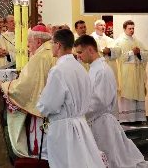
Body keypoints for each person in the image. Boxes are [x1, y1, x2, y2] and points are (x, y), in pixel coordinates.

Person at [74, 35, 148, 168]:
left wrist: (80, 113)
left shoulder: (102, 70)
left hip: (101, 123)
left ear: (90, 49)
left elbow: (99, 102)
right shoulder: (94, 68)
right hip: (96, 121)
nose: (79, 56)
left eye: (80, 52)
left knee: (112, 161)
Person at [36, 29, 105, 168]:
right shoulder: (80, 68)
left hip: (63, 129)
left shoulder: (58, 70)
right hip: (81, 125)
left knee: (65, 163)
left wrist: (42, 99)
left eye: (52, 43)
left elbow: (49, 105)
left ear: (59, 45)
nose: (51, 47)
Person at [0, 25, 54, 159]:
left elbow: (24, 87)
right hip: (56, 114)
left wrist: (2, 85)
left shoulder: (40, 57)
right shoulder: (54, 53)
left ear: (38, 42)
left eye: (29, 41)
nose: (27, 45)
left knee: (43, 154)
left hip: (42, 115)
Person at [115, 20, 148, 123]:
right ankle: (126, 118)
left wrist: (139, 53)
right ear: (124, 29)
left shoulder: (137, 42)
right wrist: (131, 53)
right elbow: (118, 57)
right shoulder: (119, 42)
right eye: (129, 28)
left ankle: (138, 118)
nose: (132, 30)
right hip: (126, 74)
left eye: (133, 28)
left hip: (137, 73)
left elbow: (146, 54)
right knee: (127, 93)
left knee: (138, 93)